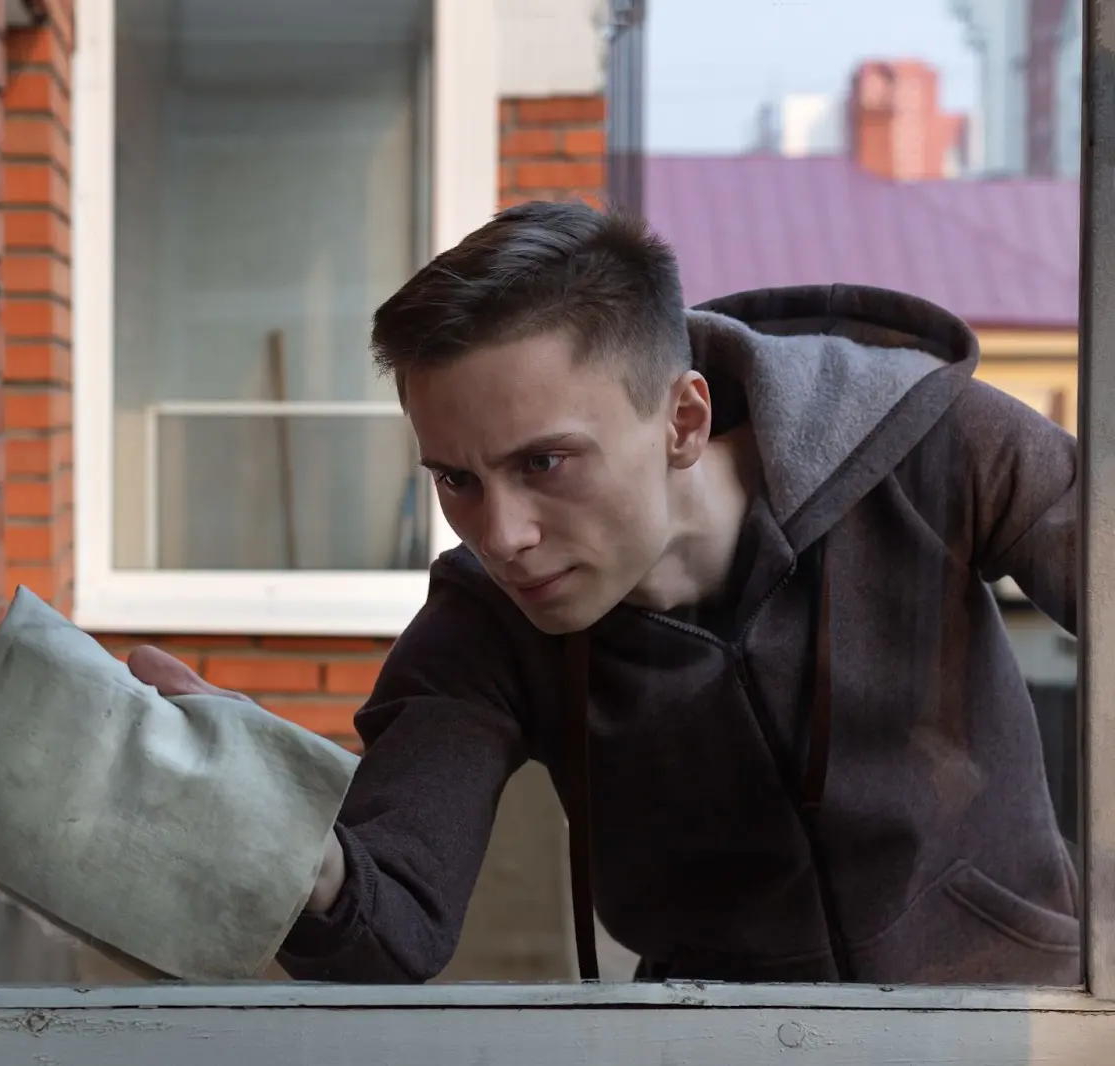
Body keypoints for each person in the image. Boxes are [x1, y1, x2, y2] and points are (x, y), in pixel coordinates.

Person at [128, 200, 1081, 986]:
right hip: (712, 1049)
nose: (501, 535)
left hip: (1013, 1021)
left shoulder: (934, 446)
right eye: (456, 479)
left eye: (545, 462)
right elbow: (397, 914)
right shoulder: (483, 627)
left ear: (682, 419)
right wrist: (286, 842)